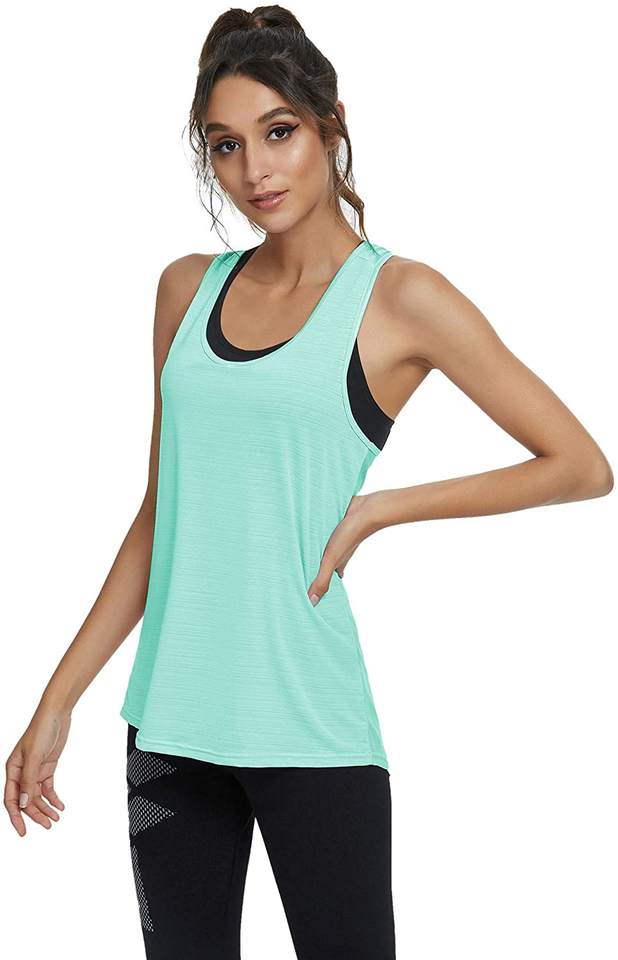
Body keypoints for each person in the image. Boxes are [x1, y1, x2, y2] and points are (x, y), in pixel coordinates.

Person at [4, 5, 613, 959]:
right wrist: (58, 698)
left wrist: (380, 510)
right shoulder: (186, 289)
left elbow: (580, 465)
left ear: (331, 124)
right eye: (226, 145)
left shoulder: (401, 298)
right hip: (169, 724)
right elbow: (165, 511)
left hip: (311, 728)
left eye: (279, 131)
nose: (255, 170)